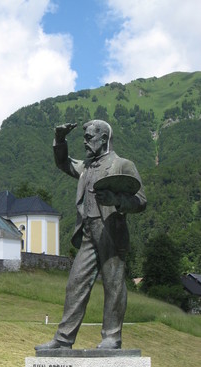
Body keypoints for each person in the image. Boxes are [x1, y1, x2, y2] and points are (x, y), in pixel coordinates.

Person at [35, 119, 147, 350]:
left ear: (104, 138)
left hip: (111, 231)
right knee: (75, 283)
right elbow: (64, 163)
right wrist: (59, 139)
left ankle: (112, 337)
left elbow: (141, 202)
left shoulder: (123, 165)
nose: (85, 142)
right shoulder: (87, 167)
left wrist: (117, 200)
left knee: (113, 283)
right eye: (84, 138)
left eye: (89, 138)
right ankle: (63, 338)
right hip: (88, 231)